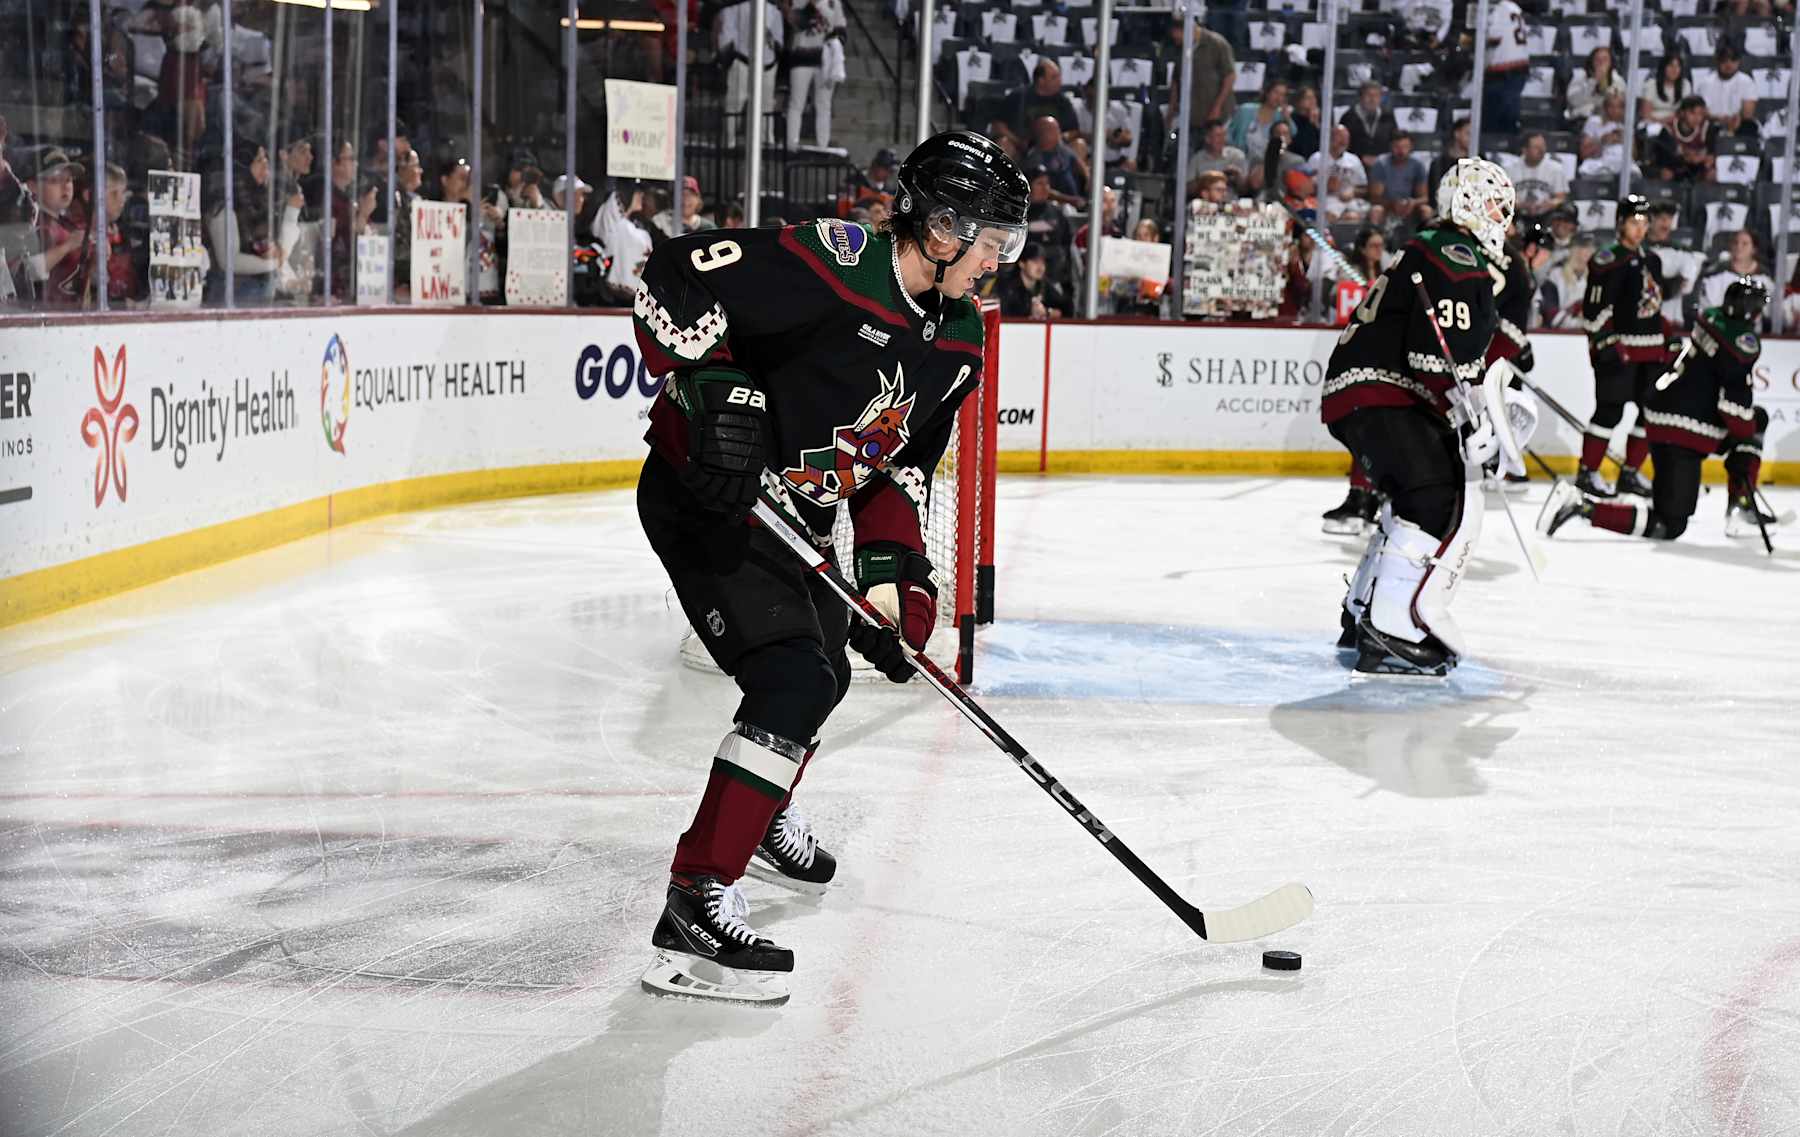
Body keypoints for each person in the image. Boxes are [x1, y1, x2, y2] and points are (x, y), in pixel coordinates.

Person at [631, 130, 1028, 1004]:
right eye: (992, 239)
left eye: (1009, 242)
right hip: (714, 500)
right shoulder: (835, 262)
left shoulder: (960, 338)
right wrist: (712, 386)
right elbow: (677, 269)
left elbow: (899, 465)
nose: (998, 260)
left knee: (828, 669)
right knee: (795, 678)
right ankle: (696, 899)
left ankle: (760, 810)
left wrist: (896, 580)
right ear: (940, 225)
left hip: (796, 518)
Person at [1321, 158, 1514, 678]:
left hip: (1362, 390)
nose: (1504, 218)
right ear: (1470, 203)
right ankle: (1392, 630)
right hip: (1383, 392)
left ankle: (1363, 611)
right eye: (1496, 205)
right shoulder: (1455, 255)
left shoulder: (1434, 249)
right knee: (1432, 494)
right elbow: (1433, 360)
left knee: (1414, 494)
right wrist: (1467, 413)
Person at [1541, 279, 1776, 540]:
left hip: (1664, 418)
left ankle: (1740, 505)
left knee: (1756, 421)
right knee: (1670, 524)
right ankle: (1582, 507)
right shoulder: (1739, 342)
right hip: (1683, 430)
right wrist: (1747, 444)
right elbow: (1733, 407)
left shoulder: (1713, 321)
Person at [1573, 195, 1668, 499]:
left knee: (1650, 412)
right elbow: (1593, 310)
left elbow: (1654, 307)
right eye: (1633, 222)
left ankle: (1629, 474)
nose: (1640, 228)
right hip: (1620, 352)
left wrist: (1667, 338)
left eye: (1643, 222)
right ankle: (1587, 473)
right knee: (1609, 412)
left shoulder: (1653, 260)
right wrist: (1604, 343)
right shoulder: (1607, 260)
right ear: (1620, 224)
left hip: (1651, 352)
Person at [1319, 226, 1393, 534]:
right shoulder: (1350, 273)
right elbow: (1340, 303)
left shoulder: (1391, 271)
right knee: (1363, 426)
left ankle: (1372, 498)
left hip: (1384, 357)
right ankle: (1362, 496)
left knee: (1375, 429)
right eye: (1373, 245)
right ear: (1362, 248)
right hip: (1364, 354)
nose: (1378, 250)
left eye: (1381, 245)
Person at [717, 0, 784, 146]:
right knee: (735, 103)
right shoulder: (733, 10)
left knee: (766, 105)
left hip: (767, 64)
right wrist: (727, 59)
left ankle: (766, 140)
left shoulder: (774, 12)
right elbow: (727, 39)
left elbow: (778, 42)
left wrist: (771, 41)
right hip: (742, 61)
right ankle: (730, 140)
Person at [785, 0, 847, 149]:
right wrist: (811, 7)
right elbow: (796, 23)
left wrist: (833, 40)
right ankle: (792, 144)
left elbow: (842, 32)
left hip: (825, 60)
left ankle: (822, 145)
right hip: (801, 57)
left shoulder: (834, 3)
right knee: (796, 103)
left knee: (824, 104)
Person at [31, 149, 87, 307]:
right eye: (55, 180)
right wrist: (68, 246)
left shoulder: (67, 224)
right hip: (41, 316)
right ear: (33, 186)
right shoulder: (32, 223)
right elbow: (28, 272)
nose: (66, 187)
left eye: (69, 180)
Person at [1695, 229, 1776, 326]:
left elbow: (1770, 310)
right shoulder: (1716, 275)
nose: (1739, 247)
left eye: (1744, 244)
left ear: (1754, 249)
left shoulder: (1765, 278)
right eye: (1735, 243)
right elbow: (1707, 308)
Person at [1645, 202, 1701, 325]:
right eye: (1661, 219)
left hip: (1672, 320)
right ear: (1650, 219)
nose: (1666, 224)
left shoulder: (1683, 251)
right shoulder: (1639, 249)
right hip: (1642, 317)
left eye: (1669, 219)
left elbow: (1685, 288)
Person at [1481, 0, 1529, 137]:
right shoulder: (1514, 6)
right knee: (1509, 120)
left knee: (1493, 127)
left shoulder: (1497, 9)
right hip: (1519, 68)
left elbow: (1493, 37)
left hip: (1502, 72)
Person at [1002, 60, 1082, 140]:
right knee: (1004, 142)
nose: (1060, 81)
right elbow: (998, 125)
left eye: (1059, 76)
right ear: (1041, 80)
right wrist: (1016, 141)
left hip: (1056, 147)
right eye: (1054, 77)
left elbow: (1074, 130)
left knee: (1079, 144)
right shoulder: (1017, 96)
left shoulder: (1063, 101)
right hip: (1020, 143)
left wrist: (1060, 138)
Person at [1647, 96, 1719, 182]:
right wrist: (1686, 157)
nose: (1697, 118)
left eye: (1701, 114)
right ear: (1682, 112)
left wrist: (1704, 159)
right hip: (1674, 167)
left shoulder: (1706, 127)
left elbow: (1711, 154)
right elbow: (1665, 156)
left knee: (1712, 174)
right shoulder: (1669, 128)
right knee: (1666, 173)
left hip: (1698, 167)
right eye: (1693, 113)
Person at [1695, 45, 1758, 137]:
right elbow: (1702, 111)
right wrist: (1721, 119)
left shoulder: (1746, 81)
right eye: (1724, 60)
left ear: (1738, 62)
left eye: (1733, 60)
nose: (1729, 64)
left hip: (1738, 123)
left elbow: (1748, 113)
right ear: (1717, 61)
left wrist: (1734, 121)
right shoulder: (1706, 82)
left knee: (1750, 127)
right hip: (1713, 123)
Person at [1022, 117, 1087, 204]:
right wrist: (1071, 200)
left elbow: (1080, 165)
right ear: (1042, 133)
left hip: (1076, 200)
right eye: (1054, 130)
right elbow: (1043, 190)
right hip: (1055, 204)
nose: (1059, 132)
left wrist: (1089, 182)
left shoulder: (1062, 149)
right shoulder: (1034, 159)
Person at [995, 240, 1068, 317]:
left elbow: (1065, 310)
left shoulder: (1045, 285)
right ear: (1022, 263)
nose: (1041, 268)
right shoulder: (1007, 287)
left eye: (1043, 262)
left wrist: (1046, 312)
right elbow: (1003, 314)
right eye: (1035, 262)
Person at [1506, 133, 1570, 220]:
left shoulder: (1555, 168)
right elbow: (1505, 198)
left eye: (1543, 146)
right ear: (1525, 150)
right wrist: (1520, 205)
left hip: (1547, 216)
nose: (1541, 150)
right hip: (1518, 216)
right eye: (1536, 147)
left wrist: (1550, 204)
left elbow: (1561, 198)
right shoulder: (1510, 169)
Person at [1369, 131, 1429, 221]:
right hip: (1387, 205)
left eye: (1405, 147)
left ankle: (1427, 235)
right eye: (1397, 147)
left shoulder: (1418, 165)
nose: (1401, 151)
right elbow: (1375, 198)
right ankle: (1374, 234)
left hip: (1410, 206)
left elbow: (1424, 198)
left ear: (1411, 147)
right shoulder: (1381, 164)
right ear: (1391, 147)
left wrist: (1413, 202)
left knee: (1426, 210)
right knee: (1376, 210)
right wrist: (1392, 204)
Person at [1565, 46, 1626, 128]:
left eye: (1605, 60)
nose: (1601, 63)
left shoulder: (1618, 80)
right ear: (1592, 61)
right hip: (1583, 119)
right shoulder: (1580, 77)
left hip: (1609, 120)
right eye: (1598, 59)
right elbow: (1573, 101)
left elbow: (1620, 103)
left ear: (1611, 62)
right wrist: (1593, 82)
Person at [1577, 90, 1632, 178]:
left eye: (1619, 107)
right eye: (1611, 106)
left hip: (1623, 166)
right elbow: (1584, 154)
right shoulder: (1594, 122)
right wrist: (1602, 141)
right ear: (1605, 107)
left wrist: (1624, 141)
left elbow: (1634, 156)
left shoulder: (1627, 126)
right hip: (1599, 164)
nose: (1615, 110)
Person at [1341, 82, 1397, 168]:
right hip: (1353, 166)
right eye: (1368, 95)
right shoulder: (1348, 117)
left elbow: (1395, 141)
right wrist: (1361, 158)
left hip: (1383, 166)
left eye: (1376, 96)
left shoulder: (1388, 116)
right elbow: (1341, 145)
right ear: (1360, 97)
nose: (1372, 99)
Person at [1187, 120, 1248, 196]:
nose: (1222, 139)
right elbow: (1188, 189)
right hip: (1205, 205)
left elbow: (1246, 189)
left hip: (1230, 203)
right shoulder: (1197, 159)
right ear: (1207, 139)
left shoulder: (1236, 156)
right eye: (1218, 136)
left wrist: (1237, 176)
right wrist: (1207, 179)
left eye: (1224, 135)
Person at [1637, 53, 1693, 128]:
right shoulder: (1651, 84)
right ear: (1663, 68)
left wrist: (1672, 122)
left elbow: (1685, 112)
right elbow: (1646, 114)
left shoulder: (1685, 85)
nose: (1674, 69)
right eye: (1671, 66)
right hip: (1653, 123)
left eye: (1678, 66)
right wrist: (1663, 122)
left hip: (1676, 125)